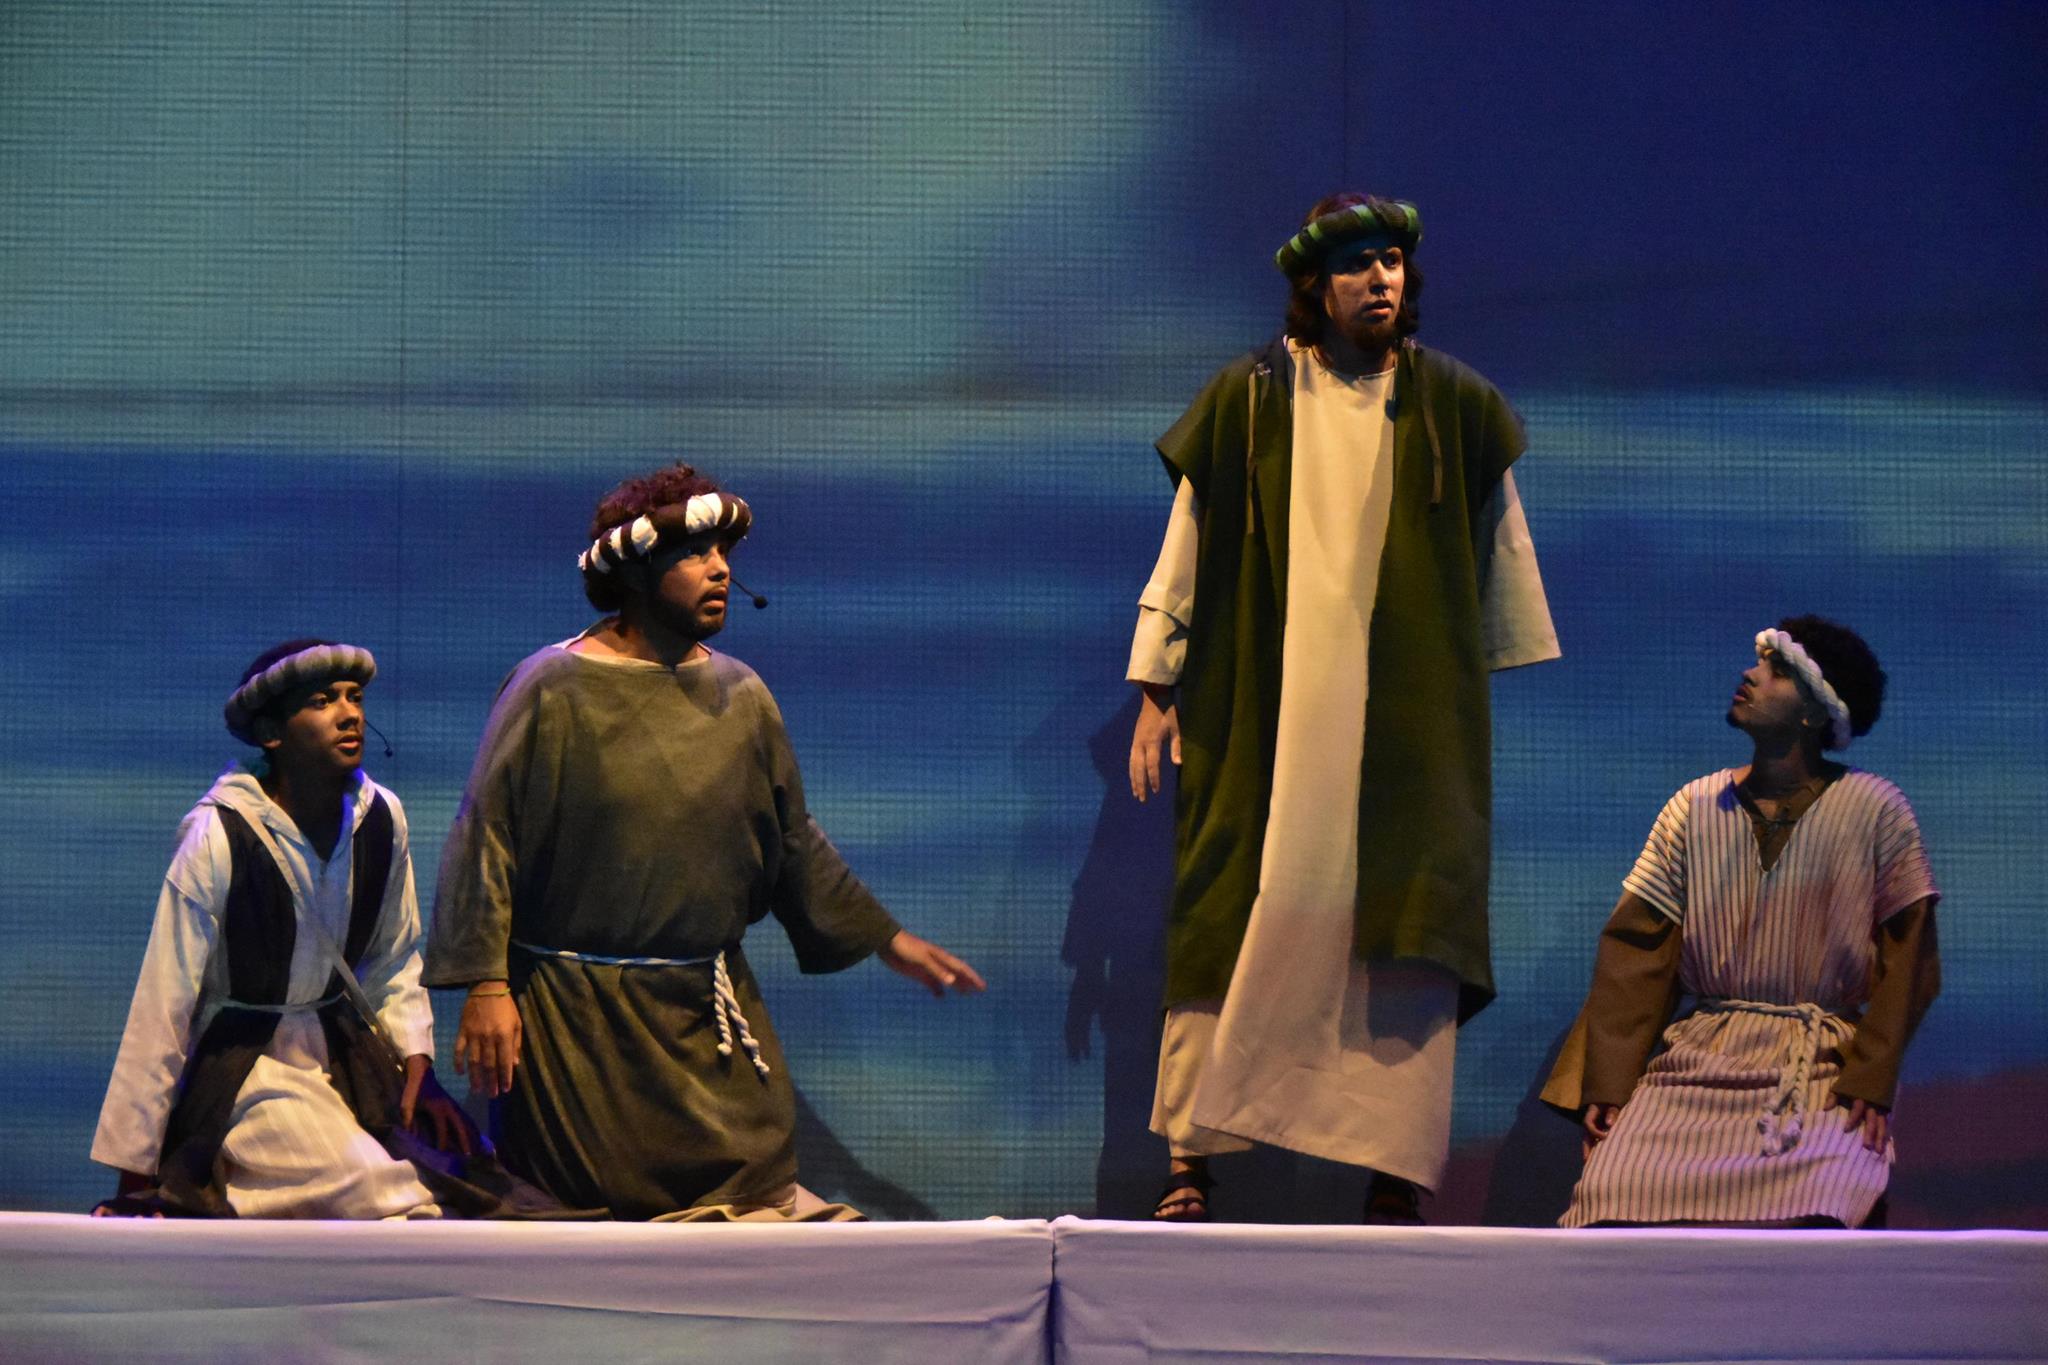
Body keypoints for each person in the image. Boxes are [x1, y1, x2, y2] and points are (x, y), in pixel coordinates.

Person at [1127, 192, 1560, 1222]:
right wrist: (1154, 686)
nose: (1380, 279)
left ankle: (1390, 1169)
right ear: (1314, 286)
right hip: (1267, 710)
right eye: (1358, 263)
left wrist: (1457, 689)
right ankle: (1192, 1158)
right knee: (1234, 903)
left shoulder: (1452, 402)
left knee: (1403, 922)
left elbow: (1500, 553)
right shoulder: (1249, 398)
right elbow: (1186, 546)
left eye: (1392, 261)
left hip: (1403, 719)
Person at [426, 462, 985, 1221]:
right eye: (694, 552)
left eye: (723, 551)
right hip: (577, 1024)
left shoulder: (742, 694)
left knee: (752, 1192)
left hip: (702, 1011)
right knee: (595, 1215)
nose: (720, 568)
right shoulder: (551, 687)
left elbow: (789, 838)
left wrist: (884, 938)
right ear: (635, 570)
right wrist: (487, 985)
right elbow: (487, 835)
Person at [1541, 616, 1940, 1227]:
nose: (1750, 675)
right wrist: (1609, 1085)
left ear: (1814, 712)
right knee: (1611, 1195)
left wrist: (1872, 1077)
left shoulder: (1876, 810)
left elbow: (1909, 955)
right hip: (1697, 1063)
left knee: (1828, 1201)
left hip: (1818, 1067)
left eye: (1776, 671)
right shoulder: (1693, 807)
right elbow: (1638, 954)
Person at [91, 639, 468, 1218]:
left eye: (355, 697)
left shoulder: (380, 817)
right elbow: (164, 1004)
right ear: (271, 732)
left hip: (346, 1053)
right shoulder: (218, 835)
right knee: (372, 1187)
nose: (349, 714)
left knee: (463, 1182)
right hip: (248, 1062)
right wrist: (136, 1168)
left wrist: (417, 1060)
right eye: (322, 701)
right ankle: (214, 1177)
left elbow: (393, 956)